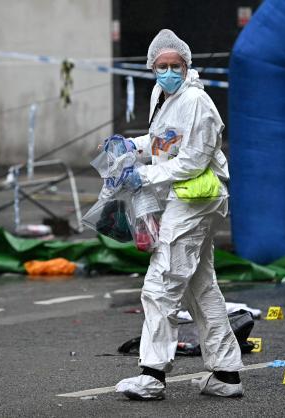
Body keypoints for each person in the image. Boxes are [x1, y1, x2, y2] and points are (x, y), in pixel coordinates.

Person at [114, 29, 244, 400]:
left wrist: (144, 174)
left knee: (161, 284)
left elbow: (193, 160)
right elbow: (164, 142)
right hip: (180, 198)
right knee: (202, 289)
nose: (168, 71)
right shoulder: (163, 95)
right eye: (162, 66)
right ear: (152, 67)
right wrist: (132, 147)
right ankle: (226, 374)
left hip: (194, 200)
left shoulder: (197, 102)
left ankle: (152, 375)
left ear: (187, 66)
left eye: (175, 65)